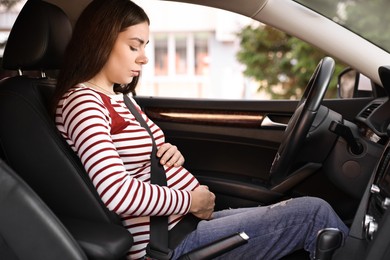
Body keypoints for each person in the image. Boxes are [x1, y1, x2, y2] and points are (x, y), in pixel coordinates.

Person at [52, 0, 349, 259]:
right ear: (100, 40)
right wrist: (191, 200)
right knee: (314, 214)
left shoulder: (119, 98)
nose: (143, 57)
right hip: (167, 242)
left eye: (145, 46)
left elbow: (136, 156)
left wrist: (166, 153)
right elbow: (116, 193)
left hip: (185, 225)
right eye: (134, 45)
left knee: (306, 212)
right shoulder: (84, 103)